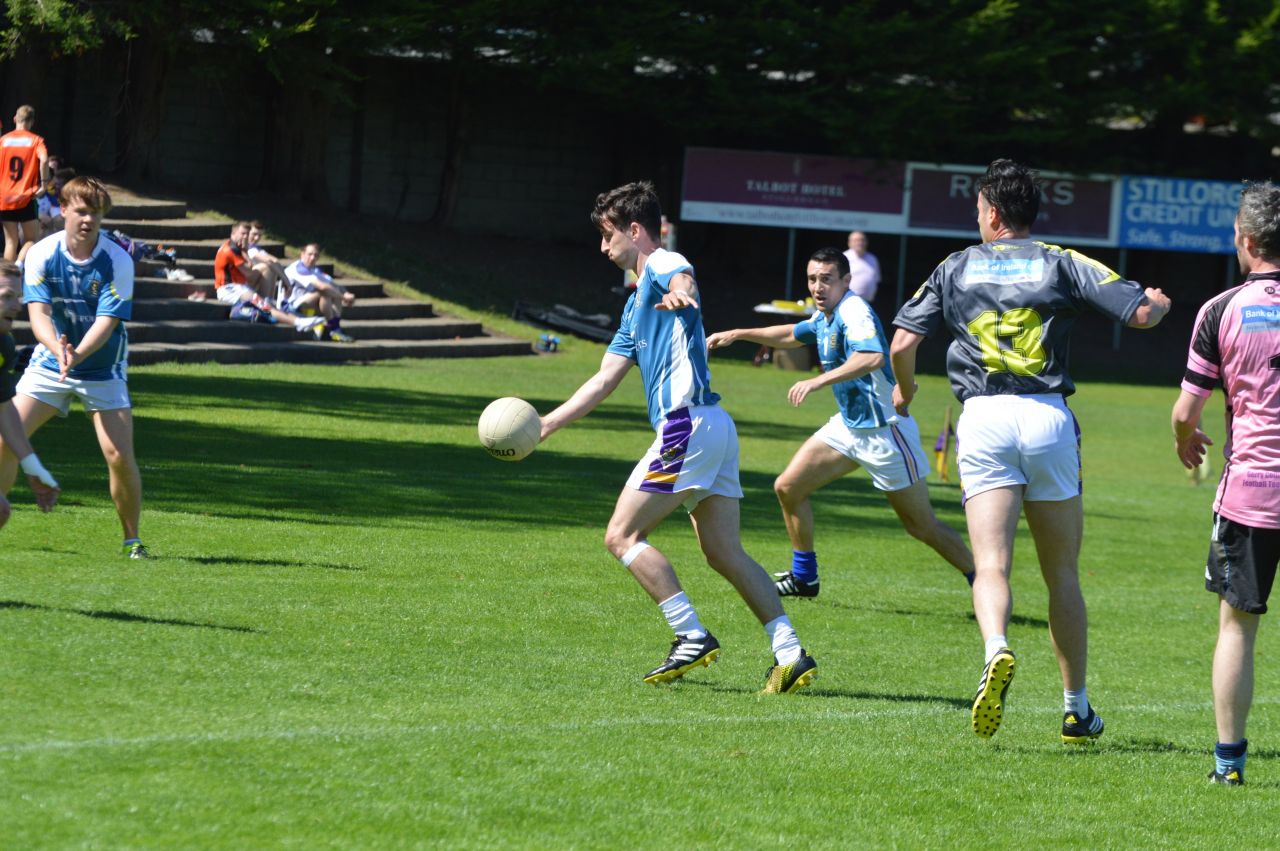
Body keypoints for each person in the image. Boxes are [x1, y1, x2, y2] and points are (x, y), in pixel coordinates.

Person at [889, 158, 1171, 742]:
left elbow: (903, 341)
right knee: (1062, 573)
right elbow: (1141, 312)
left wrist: (908, 389)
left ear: (992, 212)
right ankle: (1076, 708)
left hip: (984, 419)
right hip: (1047, 419)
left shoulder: (956, 266)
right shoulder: (1061, 261)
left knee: (991, 563)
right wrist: (1162, 304)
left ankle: (995, 648)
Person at [538, 181, 818, 693]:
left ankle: (689, 633)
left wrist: (683, 293)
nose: (604, 248)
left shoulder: (665, 262)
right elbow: (603, 380)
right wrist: (546, 424)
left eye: (608, 235)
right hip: (713, 427)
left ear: (636, 230)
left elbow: (681, 275)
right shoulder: (633, 308)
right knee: (724, 552)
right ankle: (790, 652)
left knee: (621, 536)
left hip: (686, 425)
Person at [706, 247, 975, 599]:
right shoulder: (826, 314)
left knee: (921, 525)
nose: (818, 287)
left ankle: (980, 578)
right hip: (850, 427)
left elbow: (872, 356)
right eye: (812, 279)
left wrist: (817, 381)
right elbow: (792, 334)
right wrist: (741, 332)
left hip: (885, 432)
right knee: (789, 487)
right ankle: (805, 578)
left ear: (846, 281)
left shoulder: (853, 310)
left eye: (826, 280)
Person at [1172, 180, 1280, 787]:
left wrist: (1184, 441)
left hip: (1252, 493)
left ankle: (1229, 766)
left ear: (1244, 241)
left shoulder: (1221, 309)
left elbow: (1187, 411)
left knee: (1238, 625)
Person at [0, 177, 154, 558]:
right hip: (51, 362)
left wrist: (77, 355)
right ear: (64, 210)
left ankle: (132, 540)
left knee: (119, 456)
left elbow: (107, 322)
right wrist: (57, 350)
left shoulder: (117, 259)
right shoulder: (41, 253)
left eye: (96, 214)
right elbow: (39, 314)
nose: (88, 220)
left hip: (102, 367)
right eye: (81, 211)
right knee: (4, 439)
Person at [0, 261, 60, 526]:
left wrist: (32, 466)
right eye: (6, 297)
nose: (16, 306)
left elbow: (4, 408)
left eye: (18, 297)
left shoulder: (4, 344)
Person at [213, 221, 322, 335]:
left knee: (266, 280)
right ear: (233, 233)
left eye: (247, 234)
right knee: (263, 306)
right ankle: (298, 322)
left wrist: (244, 250)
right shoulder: (231, 249)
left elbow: (253, 269)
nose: (245, 237)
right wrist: (245, 251)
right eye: (243, 233)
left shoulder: (235, 246)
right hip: (228, 289)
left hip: (239, 286)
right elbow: (249, 272)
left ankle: (277, 309)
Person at [0, 105, 50, 262]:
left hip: (5, 198)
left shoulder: (3, 141)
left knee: (10, 242)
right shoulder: (36, 141)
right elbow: (44, 160)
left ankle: (5, 280)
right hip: (26, 197)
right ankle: (20, 268)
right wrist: (44, 184)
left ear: (15, 119)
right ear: (32, 121)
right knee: (30, 240)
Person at [282, 243, 357, 342]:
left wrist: (346, 293)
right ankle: (333, 328)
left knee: (333, 291)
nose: (312, 258)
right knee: (324, 291)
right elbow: (322, 287)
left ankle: (335, 327)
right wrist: (343, 298)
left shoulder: (315, 270)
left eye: (315, 255)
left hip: (306, 304)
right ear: (302, 254)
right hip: (288, 307)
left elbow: (332, 284)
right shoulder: (298, 269)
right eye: (310, 254)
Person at [843, 231, 880, 303]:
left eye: (862, 240)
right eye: (856, 240)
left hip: (868, 301)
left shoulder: (872, 258)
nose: (860, 243)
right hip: (848, 301)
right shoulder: (844, 257)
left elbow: (876, 279)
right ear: (849, 243)